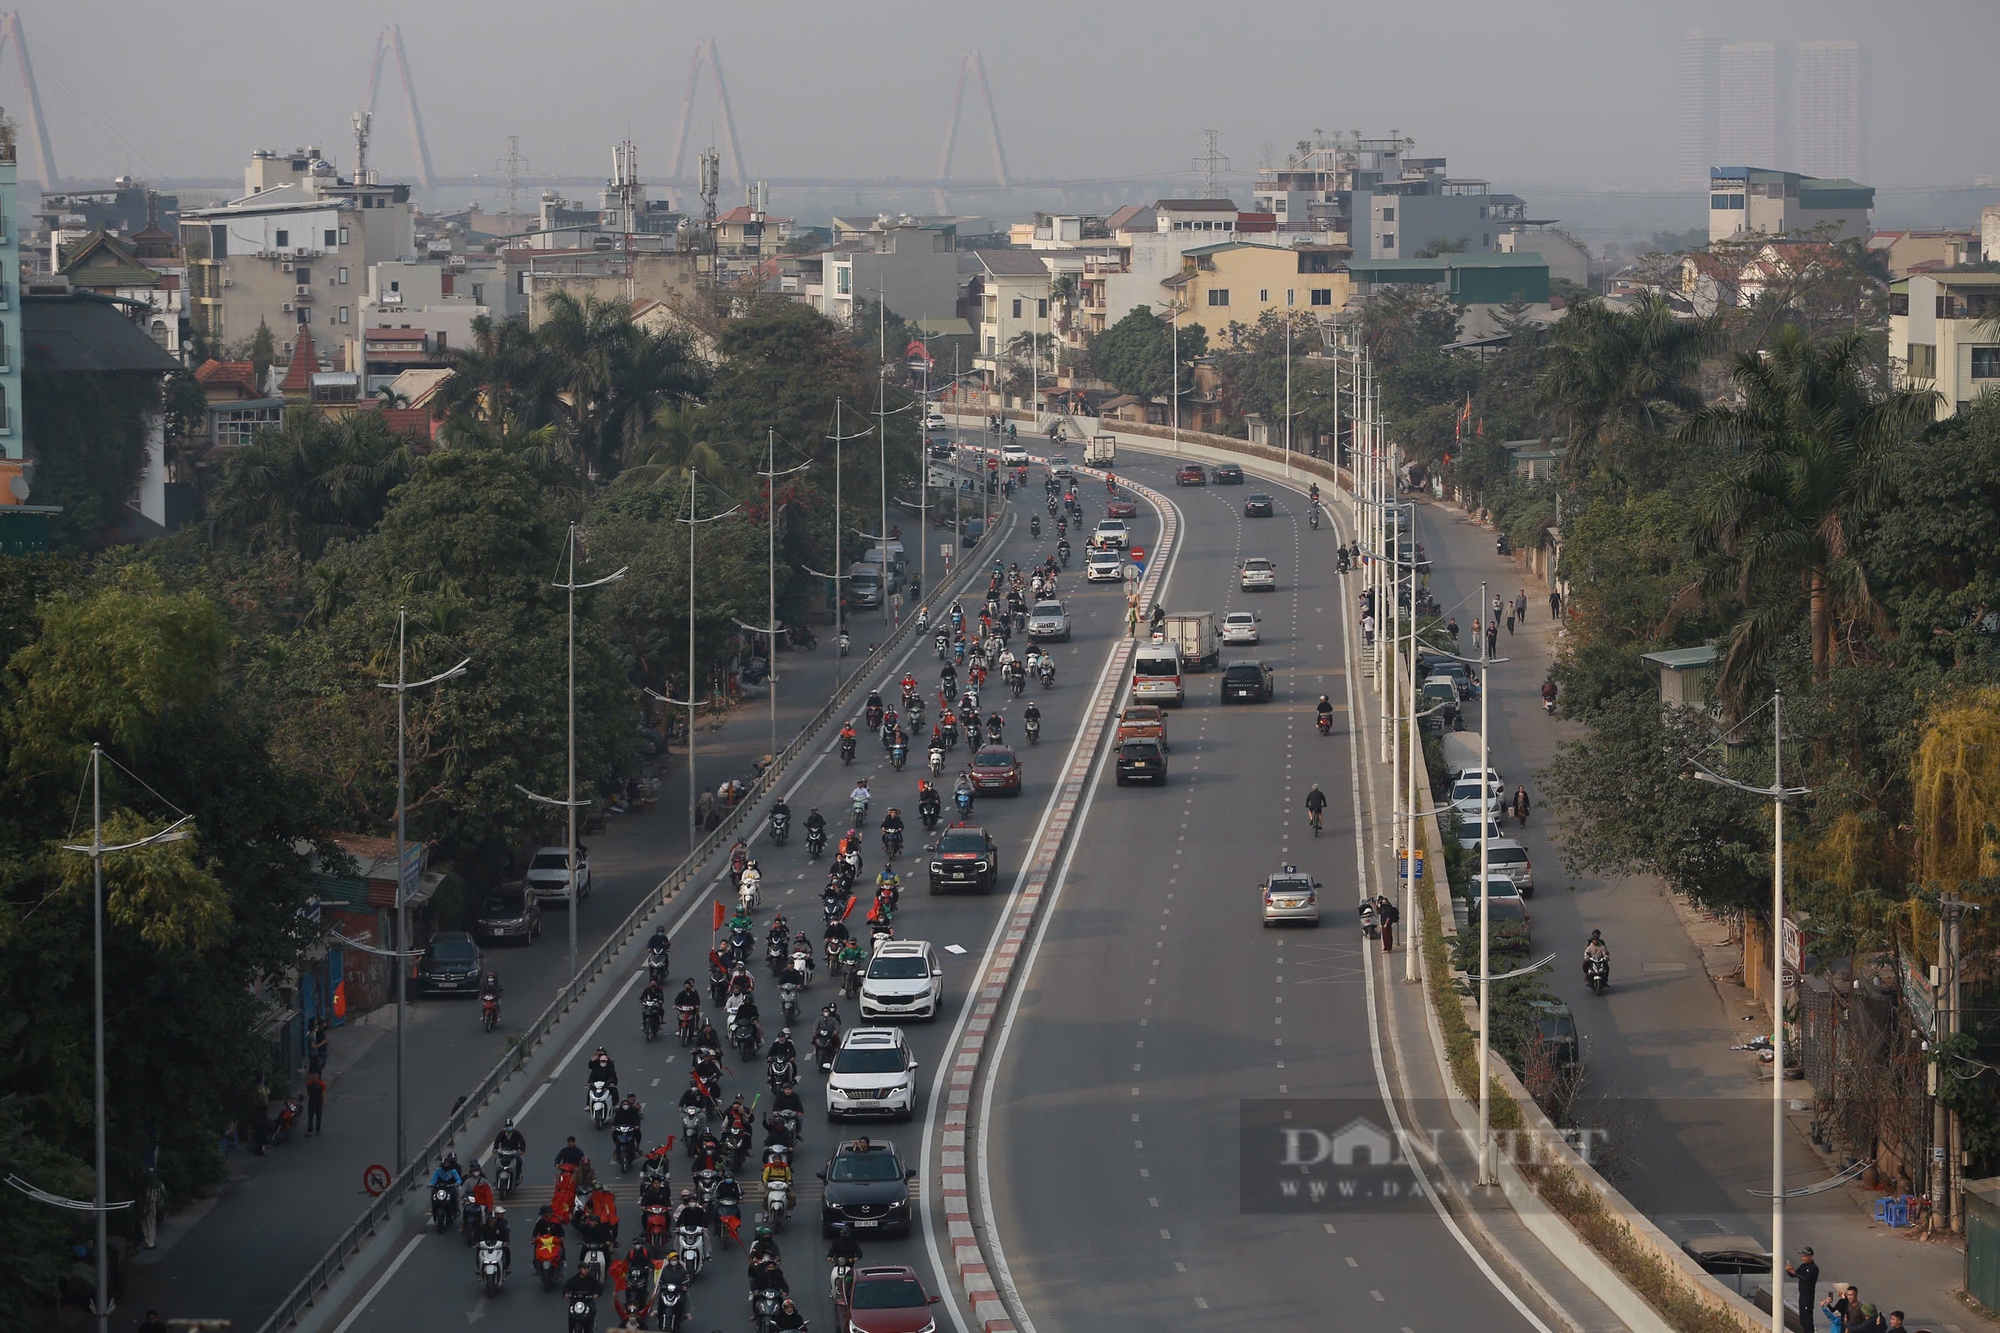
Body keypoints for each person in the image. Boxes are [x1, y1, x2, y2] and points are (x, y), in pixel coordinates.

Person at [1786, 1246, 1821, 1333]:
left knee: (1807, 1317)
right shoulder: (1803, 1266)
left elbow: (1806, 1278)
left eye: (1804, 1256)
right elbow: (1794, 1275)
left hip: (1808, 1296)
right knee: (1802, 1318)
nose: (1803, 1258)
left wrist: (1793, 1272)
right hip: (1802, 1295)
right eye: (1802, 1256)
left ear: (1810, 1256)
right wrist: (1789, 1270)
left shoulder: (1814, 1268)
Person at [479, 1203, 513, 1274]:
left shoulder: (501, 1226)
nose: (493, 1220)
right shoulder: (484, 1227)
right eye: (491, 1219)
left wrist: (506, 1242)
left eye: (494, 1219)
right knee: (478, 1251)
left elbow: (505, 1234)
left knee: (507, 1250)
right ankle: (479, 1267)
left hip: (498, 1244)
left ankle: (506, 1266)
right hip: (486, 1245)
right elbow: (478, 1235)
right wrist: (477, 1242)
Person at [304, 1069, 326, 1136]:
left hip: (319, 1102)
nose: (314, 1076)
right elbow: (308, 1093)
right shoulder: (309, 1083)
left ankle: (318, 1129)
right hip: (311, 1101)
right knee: (310, 1116)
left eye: (316, 1075)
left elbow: (324, 1093)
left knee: (319, 1116)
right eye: (313, 1075)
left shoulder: (321, 1084)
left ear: (318, 1076)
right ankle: (309, 1130)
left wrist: (325, 1101)